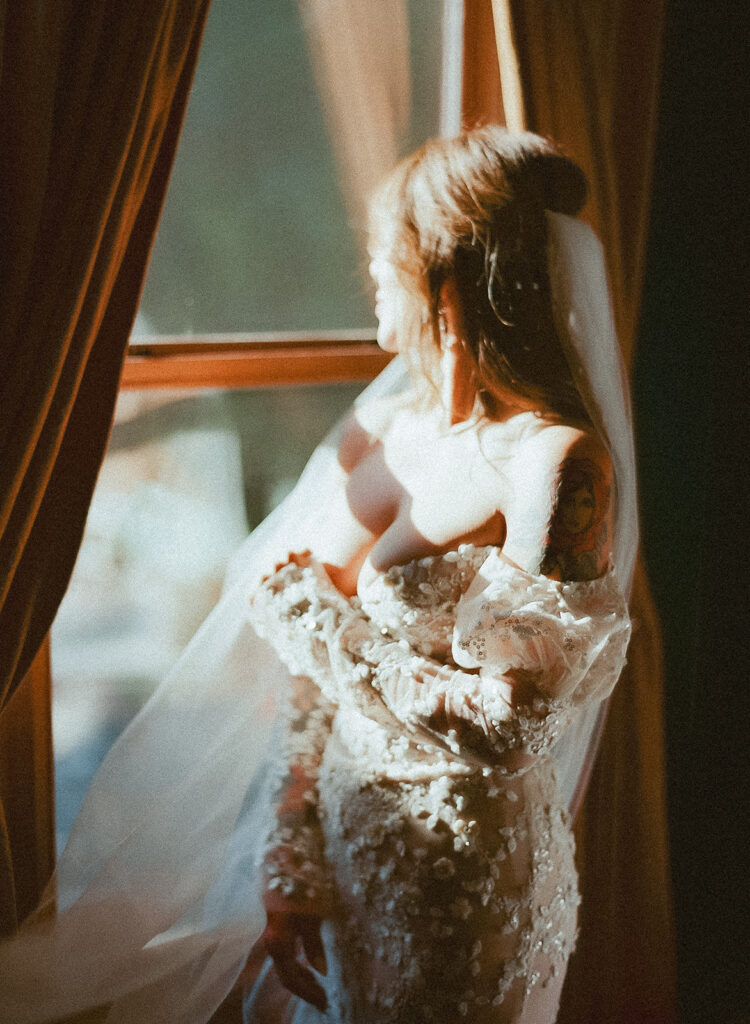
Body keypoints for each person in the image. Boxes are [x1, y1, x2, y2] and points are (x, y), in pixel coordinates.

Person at [0, 127, 637, 1024]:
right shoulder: (386, 434)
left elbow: (510, 725)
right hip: (342, 845)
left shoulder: (555, 464)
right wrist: (289, 859)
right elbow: (308, 679)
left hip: (465, 877)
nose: (369, 268)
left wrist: (326, 627)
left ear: (446, 273)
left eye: (383, 249)